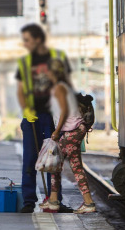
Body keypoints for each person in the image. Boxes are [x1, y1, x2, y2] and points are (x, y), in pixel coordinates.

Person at [15, 24, 71, 213]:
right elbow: (21, 90)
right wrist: (26, 109)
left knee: (53, 159)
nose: (25, 43)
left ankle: (55, 199)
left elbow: (66, 84)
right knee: (30, 159)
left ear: (38, 39)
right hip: (32, 117)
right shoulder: (24, 62)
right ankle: (28, 201)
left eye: (27, 39)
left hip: (52, 116)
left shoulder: (58, 57)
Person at [39, 58, 96, 214]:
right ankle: (54, 201)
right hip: (75, 130)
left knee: (65, 165)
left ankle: (87, 203)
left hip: (71, 131)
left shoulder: (59, 88)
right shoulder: (63, 87)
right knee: (57, 166)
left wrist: (56, 132)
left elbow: (63, 111)